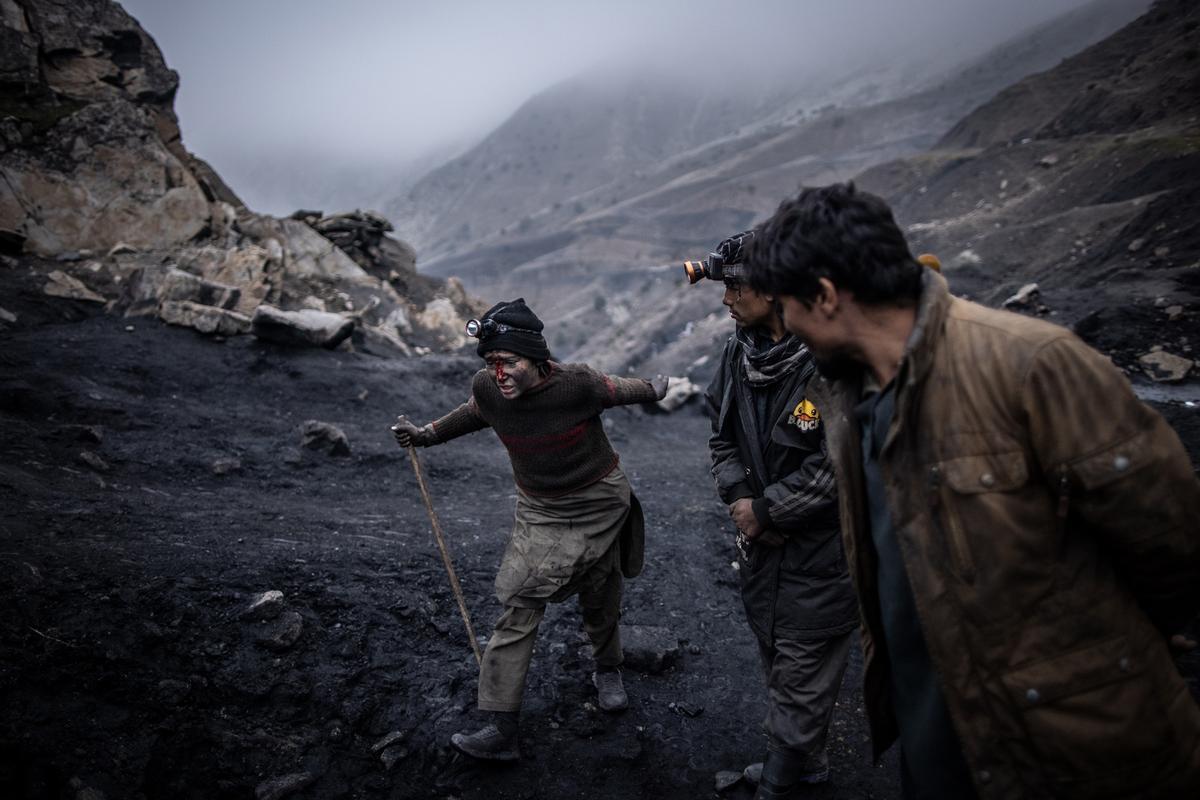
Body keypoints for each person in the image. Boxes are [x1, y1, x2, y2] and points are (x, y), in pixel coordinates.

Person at [744, 181, 1200, 798]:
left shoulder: (1032, 365)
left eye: (788, 306)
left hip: (1070, 754)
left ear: (824, 296)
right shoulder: (847, 398)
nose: (788, 327)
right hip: (942, 743)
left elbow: (1172, 544)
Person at [391, 298, 667, 762]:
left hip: (599, 500)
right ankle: (501, 726)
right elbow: (473, 412)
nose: (499, 373)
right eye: (491, 362)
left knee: (600, 590)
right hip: (539, 509)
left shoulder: (576, 384)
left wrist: (656, 389)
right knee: (519, 599)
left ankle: (608, 668)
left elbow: (625, 387)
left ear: (536, 359)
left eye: (508, 362)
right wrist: (424, 434)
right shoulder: (490, 388)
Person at [699, 231, 858, 799]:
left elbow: (837, 466)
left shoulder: (834, 360)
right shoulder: (737, 353)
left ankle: (779, 783)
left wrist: (768, 509)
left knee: (800, 676)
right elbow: (720, 436)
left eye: (736, 287)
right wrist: (740, 498)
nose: (726, 299)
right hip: (764, 554)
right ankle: (805, 765)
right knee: (778, 658)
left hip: (823, 555)